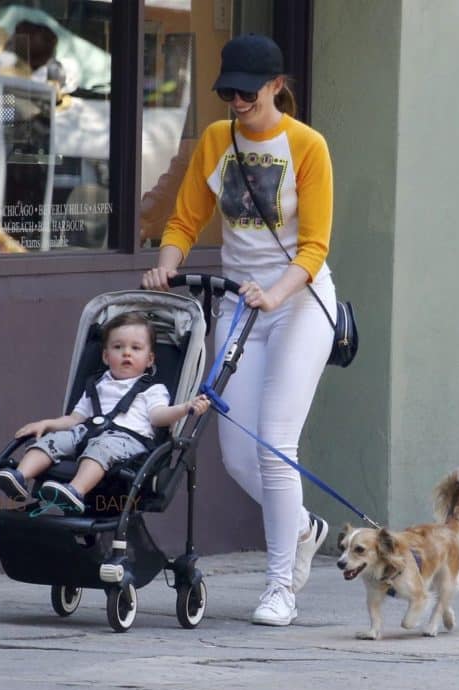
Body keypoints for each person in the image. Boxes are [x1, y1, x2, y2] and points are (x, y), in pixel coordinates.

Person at [142, 34, 335, 626]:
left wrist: (275, 292)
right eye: (227, 90)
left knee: (276, 445)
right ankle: (303, 528)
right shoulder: (216, 141)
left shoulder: (307, 146)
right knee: (234, 453)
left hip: (298, 304)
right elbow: (184, 218)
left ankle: (281, 587)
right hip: (237, 307)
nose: (236, 100)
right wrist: (167, 262)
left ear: (278, 86)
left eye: (247, 91)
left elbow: (315, 246)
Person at [0, 313, 210, 513]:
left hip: (126, 441)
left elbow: (158, 416)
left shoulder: (152, 390)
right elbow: (75, 418)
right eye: (118, 347)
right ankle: (19, 476)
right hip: (86, 433)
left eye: (136, 348)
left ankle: (75, 490)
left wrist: (185, 408)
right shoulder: (96, 385)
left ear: (150, 360)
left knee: (101, 447)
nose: (126, 352)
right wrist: (45, 424)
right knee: (53, 440)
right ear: (106, 357)